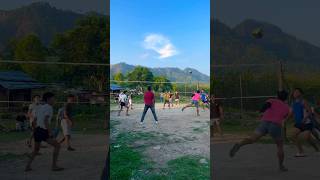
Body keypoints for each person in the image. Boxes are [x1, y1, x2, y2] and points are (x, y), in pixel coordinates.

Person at [229, 90, 290, 172]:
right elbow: (284, 116)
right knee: (279, 146)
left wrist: (261, 111)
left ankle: (239, 144)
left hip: (265, 123)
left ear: (277, 96)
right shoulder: (286, 107)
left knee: (252, 139)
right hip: (275, 125)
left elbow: (265, 106)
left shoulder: (271, 100)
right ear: (286, 98)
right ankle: (281, 166)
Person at [25, 92, 63, 172]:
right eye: (53, 98)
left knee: (36, 150)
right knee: (57, 146)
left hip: (38, 130)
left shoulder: (41, 107)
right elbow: (46, 121)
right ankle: (54, 166)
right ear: (48, 99)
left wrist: (35, 129)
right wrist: (50, 132)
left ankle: (27, 166)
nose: (54, 100)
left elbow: (34, 120)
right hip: (43, 130)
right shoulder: (49, 108)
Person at [289, 88, 319, 157]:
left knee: (307, 139)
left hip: (307, 123)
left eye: (297, 92)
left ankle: (317, 149)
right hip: (298, 123)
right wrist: (286, 119)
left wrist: (305, 118)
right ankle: (301, 151)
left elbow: (310, 111)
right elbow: (292, 112)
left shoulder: (303, 101)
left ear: (300, 94)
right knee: (293, 135)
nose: (295, 93)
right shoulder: (293, 103)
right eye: (294, 92)